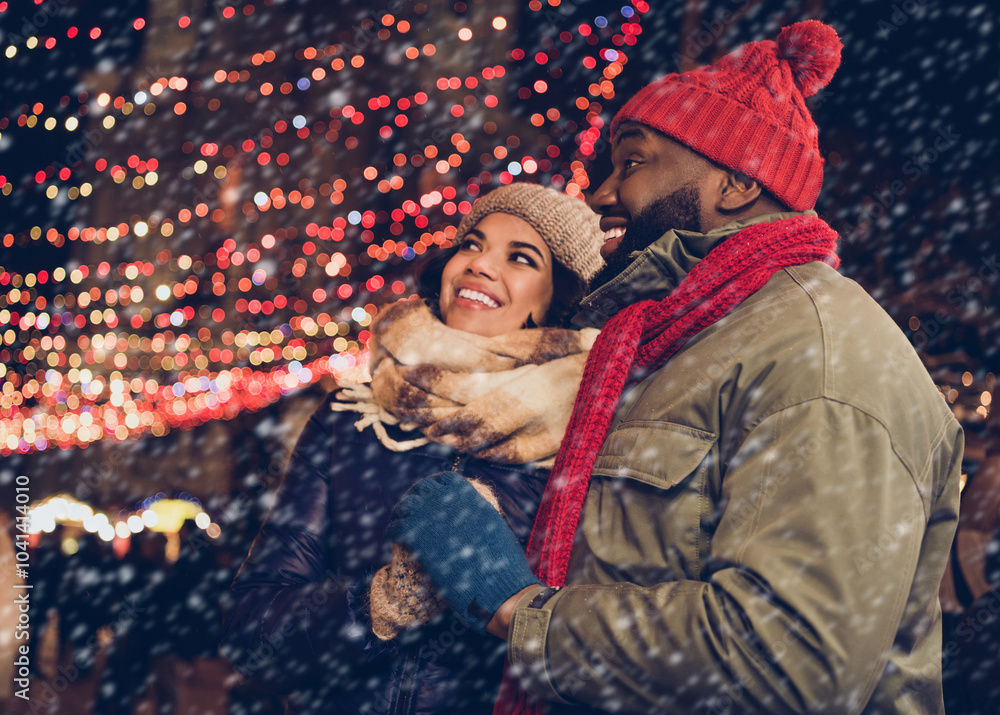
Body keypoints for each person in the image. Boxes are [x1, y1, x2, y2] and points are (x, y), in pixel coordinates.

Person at [384, 20, 964, 714]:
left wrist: (522, 611)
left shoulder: (822, 355)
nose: (601, 194)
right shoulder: (677, 342)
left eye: (633, 162)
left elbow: (786, 663)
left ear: (737, 182)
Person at [221, 182, 604, 714]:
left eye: (521, 258)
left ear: (555, 300)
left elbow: (602, 647)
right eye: (472, 244)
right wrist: (379, 604)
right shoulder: (350, 420)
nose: (480, 264)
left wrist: (501, 585)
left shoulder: (589, 435)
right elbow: (251, 635)